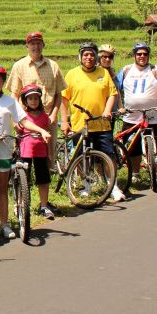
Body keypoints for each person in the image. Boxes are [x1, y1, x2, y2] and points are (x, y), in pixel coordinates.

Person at [0, 65, 51, 239]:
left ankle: (4, 224)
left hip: (3, 151)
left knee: (1, 189)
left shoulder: (10, 102)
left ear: (2, 82)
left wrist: (41, 130)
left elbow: (23, 121)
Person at [6, 31, 66, 210]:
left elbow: (58, 95)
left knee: (46, 160)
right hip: (26, 122)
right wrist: (17, 118)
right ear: (27, 46)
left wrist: (54, 114)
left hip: (48, 122)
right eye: (32, 43)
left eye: (39, 43)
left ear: (43, 45)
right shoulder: (19, 66)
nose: (36, 46)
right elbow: (14, 95)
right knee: (23, 163)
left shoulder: (53, 66)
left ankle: (43, 202)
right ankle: (20, 203)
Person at [60, 41, 123, 201]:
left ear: (96, 57)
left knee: (108, 155)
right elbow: (64, 99)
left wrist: (108, 110)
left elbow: (112, 94)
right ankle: (86, 185)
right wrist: (65, 121)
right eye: (85, 54)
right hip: (80, 124)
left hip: (101, 123)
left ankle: (113, 186)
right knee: (82, 157)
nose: (89, 57)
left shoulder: (103, 72)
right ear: (80, 57)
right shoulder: (72, 74)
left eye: (92, 55)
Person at [115, 42, 157, 181]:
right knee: (133, 147)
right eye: (139, 54)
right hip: (131, 115)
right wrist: (119, 106)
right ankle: (135, 173)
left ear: (148, 55)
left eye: (145, 54)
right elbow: (115, 89)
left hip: (152, 114)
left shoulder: (155, 69)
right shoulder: (127, 70)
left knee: (156, 145)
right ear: (134, 55)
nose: (142, 56)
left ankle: (154, 172)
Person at [16, 84, 61, 217]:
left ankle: (43, 205)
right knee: (24, 180)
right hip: (25, 152)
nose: (34, 101)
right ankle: (21, 204)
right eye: (30, 99)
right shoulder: (23, 116)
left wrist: (50, 153)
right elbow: (18, 130)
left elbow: (47, 133)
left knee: (43, 179)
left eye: (36, 98)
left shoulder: (44, 116)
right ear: (25, 101)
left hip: (41, 152)